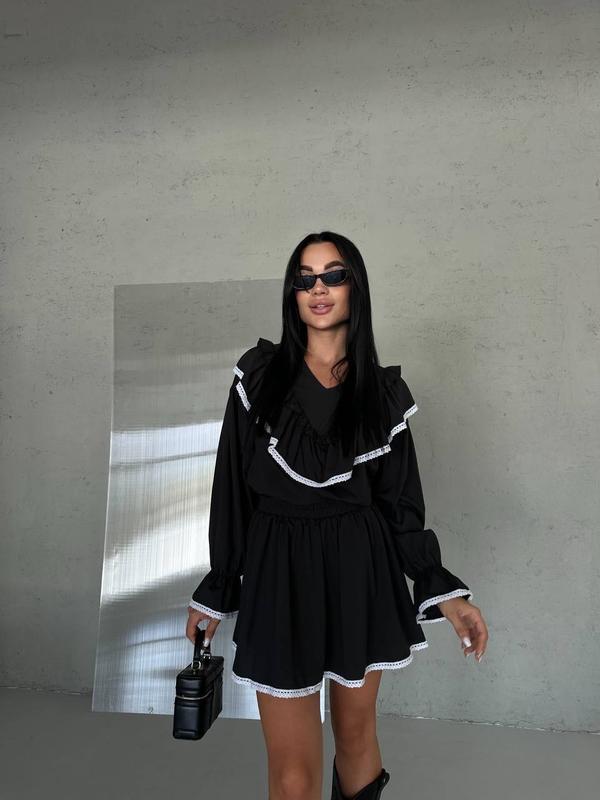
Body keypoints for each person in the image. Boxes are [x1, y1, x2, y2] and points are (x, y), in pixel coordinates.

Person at [185, 231, 488, 800]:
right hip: (278, 568)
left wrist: (443, 591)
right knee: (291, 770)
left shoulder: (383, 393)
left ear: (355, 287)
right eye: (305, 278)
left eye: (333, 275)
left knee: (355, 736)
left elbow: (400, 504)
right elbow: (231, 490)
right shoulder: (258, 376)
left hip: (359, 567)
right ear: (292, 293)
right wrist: (219, 587)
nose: (318, 289)